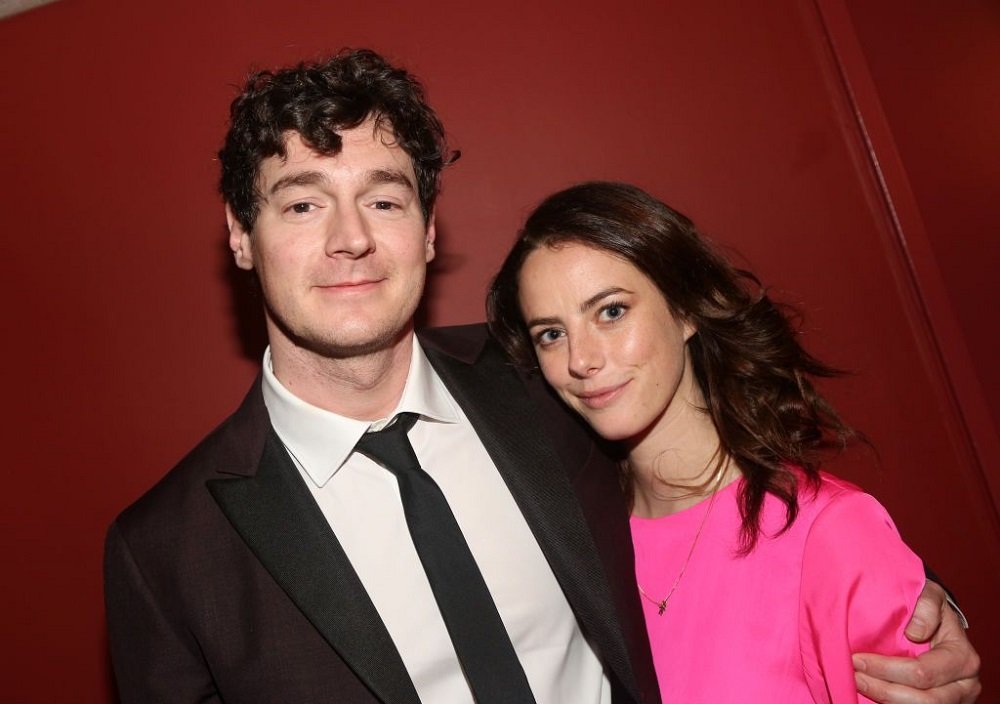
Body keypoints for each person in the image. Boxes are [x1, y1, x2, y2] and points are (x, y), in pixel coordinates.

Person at [103, 50, 978, 704]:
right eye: (301, 203)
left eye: (384, 198)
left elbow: (720, 495)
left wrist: (909, 608)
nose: (349, 239)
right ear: (240, 235)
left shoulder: (545, 378)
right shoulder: (168, 553)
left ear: (429, 229)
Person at [486, 181, 982, 702]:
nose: (581, 359)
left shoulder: (829, 531)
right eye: (551, 333)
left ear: (685, 310)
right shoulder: (571, 536)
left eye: (610, 312)